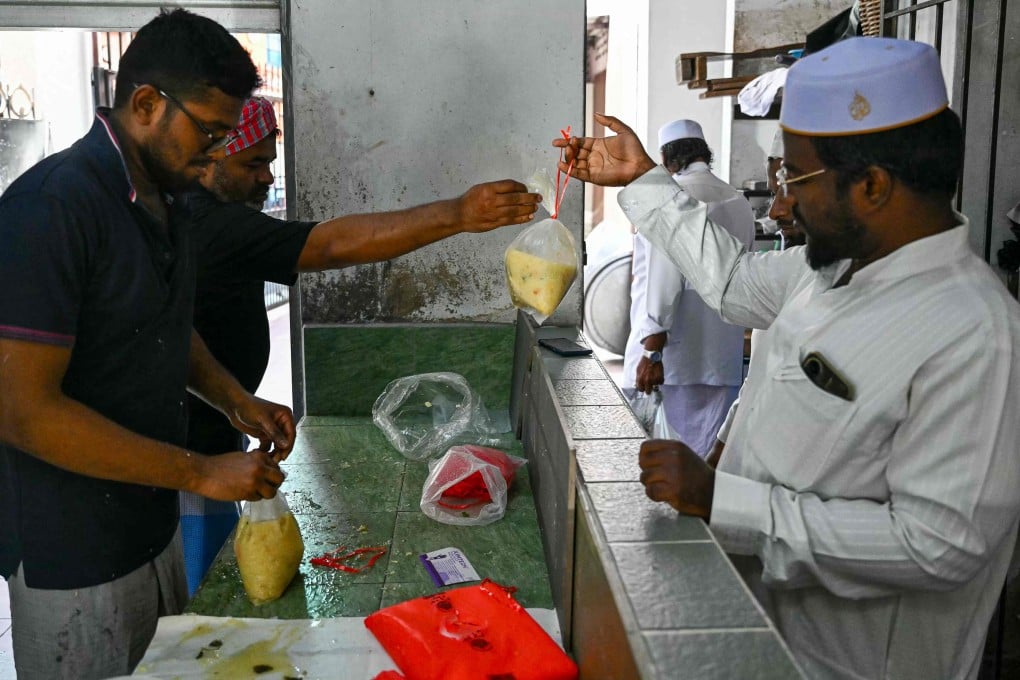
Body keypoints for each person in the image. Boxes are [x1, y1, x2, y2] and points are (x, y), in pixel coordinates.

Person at [556, 37, 1020, 680]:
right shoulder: (826, 272)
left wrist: (729, 501)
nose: (780, 205)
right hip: (756, 629)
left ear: (874, 186)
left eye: (795, 178)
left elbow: (939, 545)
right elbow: (733, 281)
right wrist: (643, 182)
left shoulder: (976, 333)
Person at [0, 10, 297, 679]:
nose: (218, 151)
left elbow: (158, 325)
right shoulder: (54, 208)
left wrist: (234, 401)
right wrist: (199, 472)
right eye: (210, 132)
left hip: (147, 526)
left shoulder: (161, 202)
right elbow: (22, 412)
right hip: (73, 556)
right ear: (145, 104)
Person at [177, 97, 542, 592]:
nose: (266, 177)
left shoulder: (218, 221)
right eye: (254, 163)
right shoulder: (203, 222)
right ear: (213, 155)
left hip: (218, 437)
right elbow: (327, 245)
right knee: (205, 593)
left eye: (269, 162)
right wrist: (456, 214)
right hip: (185, 458)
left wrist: (238, 403)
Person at [622, 119, 754, 457]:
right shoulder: (738, 202)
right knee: (708, 454)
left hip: (676, 359)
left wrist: (652, 352)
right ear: (703, 153)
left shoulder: (672, 201)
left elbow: (664, 283)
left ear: (666, 157)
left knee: (671, 456)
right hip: (723, 356)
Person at [706, 129, 804, 468]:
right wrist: (719, 451)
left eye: (788, 190)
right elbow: (757, 381)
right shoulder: (796, 269)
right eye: (775, 192)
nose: (776, 212)